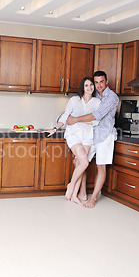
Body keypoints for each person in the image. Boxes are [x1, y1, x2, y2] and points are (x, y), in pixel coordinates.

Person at [66, 71, 119, 208]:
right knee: (78, 161)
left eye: (101, 82)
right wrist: (66, 119)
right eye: (96, 82)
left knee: (100, 166)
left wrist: (76, 119)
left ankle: (93, 198)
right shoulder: (93, 95)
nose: (98, 85)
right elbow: (77, 109)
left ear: (106, 81)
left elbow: (97, 115)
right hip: (90, 135)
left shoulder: (112, 97)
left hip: (104, 135)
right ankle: (82, 192)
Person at [45, 77, 101, 205]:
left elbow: (96, 121)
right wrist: (55, 128)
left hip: (87, 136)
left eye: (91, 85)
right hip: (74, 134)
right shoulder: (74, 100)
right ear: (83, 87)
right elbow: (65, 116)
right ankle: (71, 186)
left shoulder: (97, 102)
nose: (89, 87)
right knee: (84, 162)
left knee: (80, 164)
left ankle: (74, 194)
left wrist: (76, 119)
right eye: (86, 85)